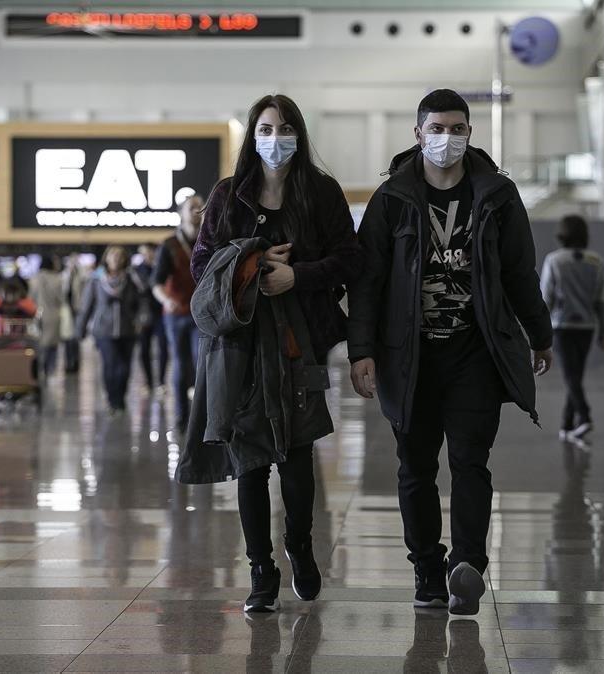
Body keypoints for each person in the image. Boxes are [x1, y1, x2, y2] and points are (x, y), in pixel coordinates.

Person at [346, 89, 553, 615]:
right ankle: (426, 571)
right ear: (418, 134)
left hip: (473, 354)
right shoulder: (391, 199)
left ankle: (466, 567)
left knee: (470, 462)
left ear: (469, 133)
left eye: (456, 128)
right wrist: (361, 350)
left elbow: (518, 272)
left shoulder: (497, 196)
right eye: (436, 128)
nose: (447, 138)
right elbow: (367, 281)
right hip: (407, 357)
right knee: (415, 466)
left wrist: (540, 333)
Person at [189, 94, 362, 613]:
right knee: (250, 460)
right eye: (266, 128)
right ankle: (260, 569)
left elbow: (350, 259)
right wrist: (254, 261)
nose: (275, 137)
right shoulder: (228, 195)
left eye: (285, 128)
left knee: (297, 452)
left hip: (299, 342)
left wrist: (296, 276)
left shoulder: (321, 192)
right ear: (252, 135)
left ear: (299, 134)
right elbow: (202, 267)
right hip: (239, 345)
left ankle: (301, 547)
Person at [540, 214, 604, 443]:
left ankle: (585, 416)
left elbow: (545, 298)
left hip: (562, 326)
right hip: (587, 327)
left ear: (562, 234)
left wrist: (538, 332)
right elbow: (601, 299)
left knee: (571, 376)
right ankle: (566, 425)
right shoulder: (596, 261)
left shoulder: (554, 260)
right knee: (576, 375)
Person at [153, 194, 204, 433]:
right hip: (176, 314)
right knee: (181, 364)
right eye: (191, 207)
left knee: (200, 362)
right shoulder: (170, 245)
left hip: (202, 314)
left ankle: (201, 417)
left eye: (200, 207)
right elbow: (156, 283)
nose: (196, 211)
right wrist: (167, 300)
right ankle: (182, 416)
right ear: (181, 213)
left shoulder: (209, 241)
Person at [77, 245, 144, 415]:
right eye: (113, 256)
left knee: (124, 367)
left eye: (120, 256)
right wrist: (80, 329)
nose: (116, 259)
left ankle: (121, 398)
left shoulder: (131, 279)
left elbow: (141, 302)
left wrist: (141, 320)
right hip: (103, 330)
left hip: (127, 329)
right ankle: (112, 400)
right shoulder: (96, 279)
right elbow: (86, 306)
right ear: (106, 258)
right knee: (110, 365)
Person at [133, 243, 168, 390]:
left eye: (149, 252)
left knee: (163, 348)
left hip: (162, 313)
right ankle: (148, 381)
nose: (147, 256)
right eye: (144, 253)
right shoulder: (136, 271)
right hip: (144, 314)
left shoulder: (162, 267)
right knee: (144, 349)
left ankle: (161, 381)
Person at [29, 254, 66, 378]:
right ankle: (50, 370)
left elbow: (30, 298)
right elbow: (61, 298)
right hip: (53, 315)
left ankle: (39, 368)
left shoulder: (34, 279)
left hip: (37, 315)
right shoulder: (57, 279)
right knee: (53, 345)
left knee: (39, 343)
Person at [62, 255, 89, 374]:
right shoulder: (64, 276)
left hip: (77, 309)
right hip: (67, 310)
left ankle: (75, 361)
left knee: (75, 337)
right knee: (67, 337)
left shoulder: (82, 277)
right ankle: (68, 362)